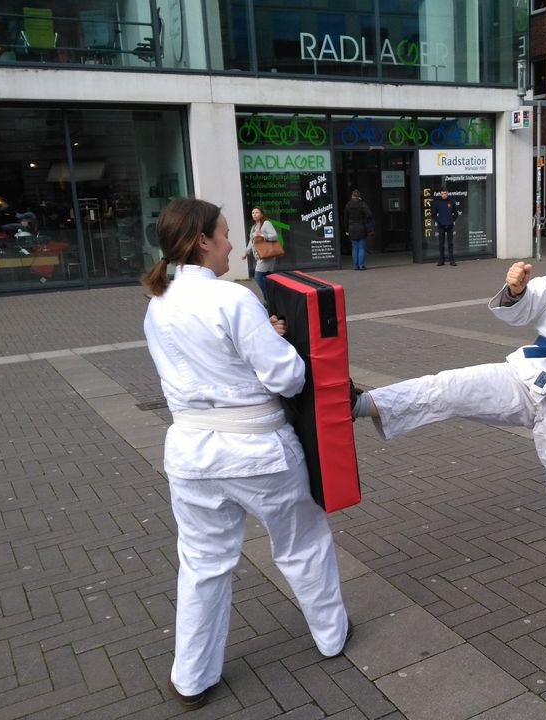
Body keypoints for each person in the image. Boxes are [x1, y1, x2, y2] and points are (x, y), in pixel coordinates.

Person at [352, 215, 546, 599]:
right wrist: (516, 289)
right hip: (527, 374)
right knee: (449, 387)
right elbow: (524, 307)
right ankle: (361, 403)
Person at [142, 198, 351, 711]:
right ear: (202, 242)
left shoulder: (157, 303)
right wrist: (281, 345)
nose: (235, 244)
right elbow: (286, 377)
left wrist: (263, 339)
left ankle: (191, 678)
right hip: (257, 448)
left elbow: (206, 363)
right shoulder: (233, 300)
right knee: (302, 545)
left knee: (203, 564)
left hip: (191, 452)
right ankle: (331, 635)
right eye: (225, 234)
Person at [240, 205, 278, 302]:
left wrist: (262, 234)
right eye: (253, 213)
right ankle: (273, 299)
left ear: (261, 214)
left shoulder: (266, 223)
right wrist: (246, 252)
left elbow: (274, 236)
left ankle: (268, 298)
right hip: (259, 256)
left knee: (258, 276)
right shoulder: (253, 227)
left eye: (257, 212)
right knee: (268, 278)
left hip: (266, 256)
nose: (255, 214)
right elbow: (251, 241)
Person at [343, 189, 372, 271]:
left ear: (352, 196)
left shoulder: (348, 205)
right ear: (359, 196)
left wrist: (346, 230)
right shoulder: (362, 204)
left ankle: (355, 266)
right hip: (361, 227)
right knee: (361, 247)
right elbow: (369, 214)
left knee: (354, 247)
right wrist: (367, 221)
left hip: (351, 227)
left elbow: (345, 219)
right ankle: (361, 265)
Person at [432, 187, 460, 266]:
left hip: (450, 225)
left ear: (447, 193)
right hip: (441, 226)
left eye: (445, 193)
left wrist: (451, 220)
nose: (443, 195)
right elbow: (434, 215)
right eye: (442, 194)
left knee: (450, 243)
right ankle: (441, 260)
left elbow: (456, 213)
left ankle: (452, 260)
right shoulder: (437, 203)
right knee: (441, 243)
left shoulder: (452, 202)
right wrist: (439, 221)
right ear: (440, 194)